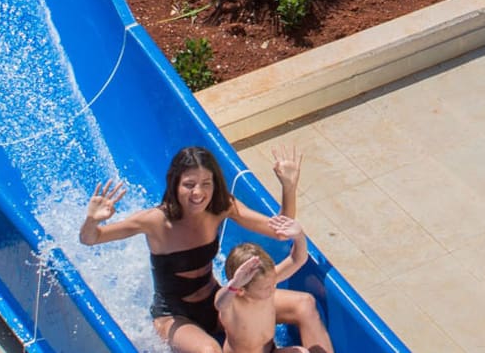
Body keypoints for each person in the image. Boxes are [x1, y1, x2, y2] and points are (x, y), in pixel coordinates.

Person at [82, 146, 327, 353]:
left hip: (216, 300)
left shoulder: (220, 207)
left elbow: (280, 230)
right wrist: (92, 221)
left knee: (304, 303)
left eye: (205, 184)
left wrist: (288, 187)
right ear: (175, 183)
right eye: (189, 184)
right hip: (175, 315)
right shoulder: (155, 221)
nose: (198, 193)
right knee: (210, 351)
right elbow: (91, 239)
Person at [215, 230, 331, 353]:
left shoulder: (266, 282)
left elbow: (297, 259)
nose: (273, 288)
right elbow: (220, 303)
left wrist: (299, 236)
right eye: (265, 288)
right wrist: (235, 284)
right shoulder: (233, 306)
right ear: (241, 290)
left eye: (272, 283)